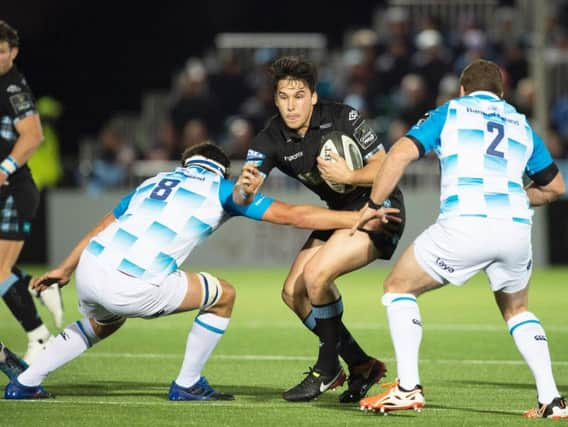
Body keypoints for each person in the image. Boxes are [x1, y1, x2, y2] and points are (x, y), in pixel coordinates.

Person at [4, 142, 399, 400]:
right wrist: (354, 216)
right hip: (133, 282)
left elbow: (102, 226)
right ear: (221, 169)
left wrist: (65, 267)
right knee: (223, 294)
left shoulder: (152, 183)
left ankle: (26, 382)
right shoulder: (224, 191)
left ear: (185, 164)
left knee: (102, 323)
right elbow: (292, 215)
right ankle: (188, 383)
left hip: (92, 268)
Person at [353, 59, 568, 419]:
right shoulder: (521, 123)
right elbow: (555, 188)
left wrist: (373, 203)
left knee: (398, 288)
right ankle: (552, 401)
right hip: (515, 228)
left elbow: (401, 154)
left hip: (466, 224)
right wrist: (509, 194)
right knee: (517, 310)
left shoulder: (451, 111)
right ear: (501, 93)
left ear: (463, 90)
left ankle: (407, 388)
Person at [237, 56, 406, 402]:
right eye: (284, 97)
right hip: (341, 213)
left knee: (316, 275)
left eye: (299, 96)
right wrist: (244, 189)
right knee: (293, 293)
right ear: (275, 99)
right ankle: (361, 365)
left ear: (313, 96)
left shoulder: (344, 116)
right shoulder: (270, 138)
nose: (291, 105)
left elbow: (387, 166)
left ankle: (327, 369)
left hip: (380, 209)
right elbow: (243, 191)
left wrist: (350, 177)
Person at [0, 20, 57, 364]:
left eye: (2, 51)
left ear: (14, 53)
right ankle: (38, 285)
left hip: (13, 192)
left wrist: (4, 169)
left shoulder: (13, 88)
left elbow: (33, 136)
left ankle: (39, 337)